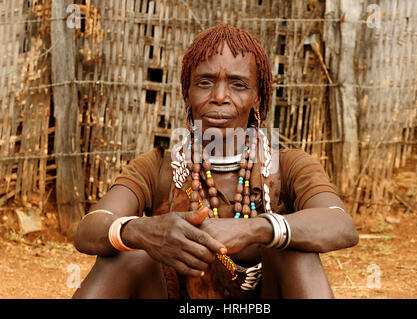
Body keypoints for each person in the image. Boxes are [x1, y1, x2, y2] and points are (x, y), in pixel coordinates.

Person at [72, 23, 359, 299]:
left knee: (294, 249)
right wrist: (140, 231)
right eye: (205, 83)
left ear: (257, 98)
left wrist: (256, 228)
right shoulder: (156, 167)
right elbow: (90, 229)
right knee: (129, 253)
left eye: (238, 85)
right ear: (187, 93)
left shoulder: (289, 166)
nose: (220, 97)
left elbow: (340, 224)